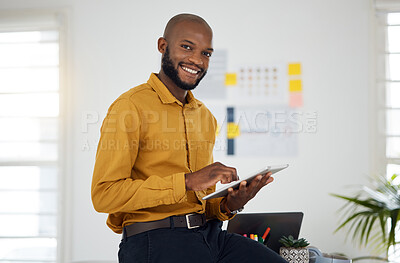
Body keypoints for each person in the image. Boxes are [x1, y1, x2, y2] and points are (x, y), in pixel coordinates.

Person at [91, 13, 287, 263]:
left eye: (206, 53)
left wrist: (229, 204)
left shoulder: (205, 116)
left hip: (211, 236)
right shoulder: (129, 107)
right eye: (186, 47)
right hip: (156, 240)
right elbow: (104, 194)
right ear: (163, 46)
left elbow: (200, 202)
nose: (197, 60)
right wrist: (186, 181)